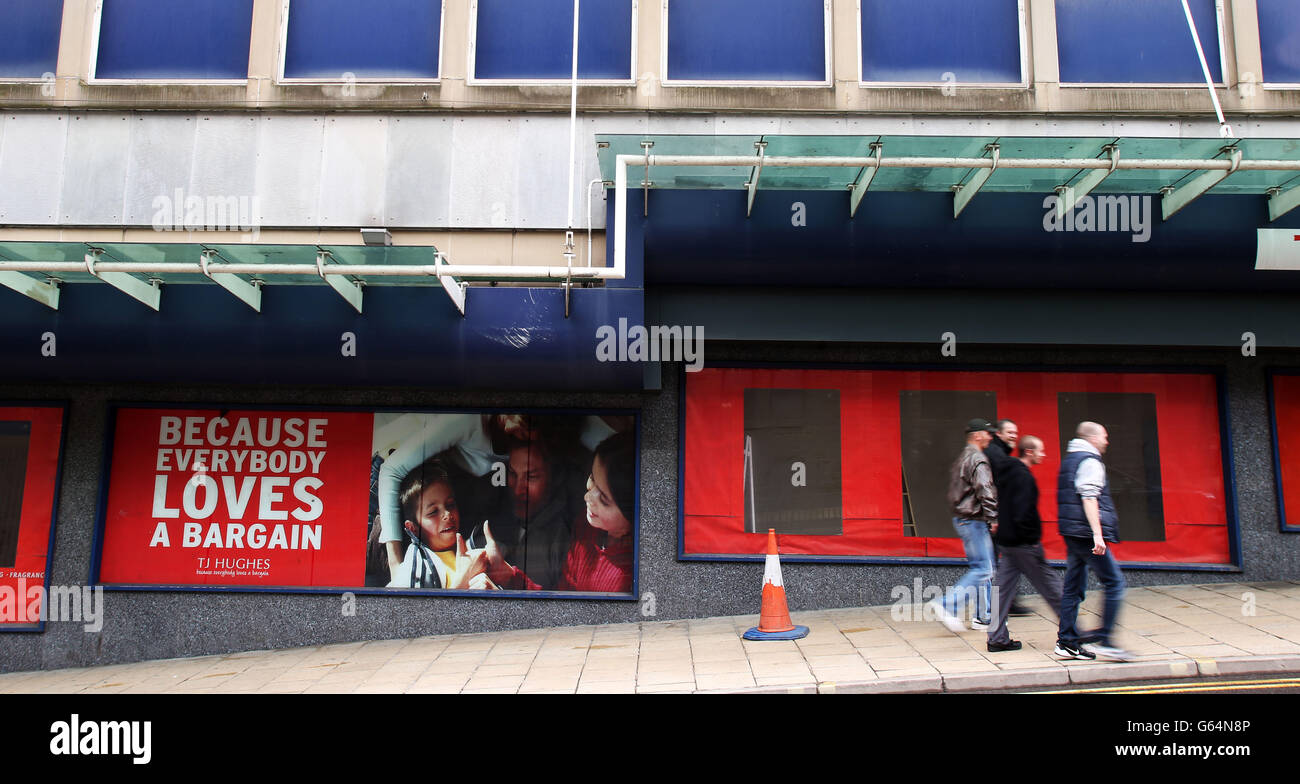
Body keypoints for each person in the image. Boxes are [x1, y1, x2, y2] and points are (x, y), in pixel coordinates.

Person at [376, 413, 613, 582]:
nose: (523, 430)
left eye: (535, 428)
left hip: (457, 504)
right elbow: (392, 470)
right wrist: (396, 566)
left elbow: (619, 448)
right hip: (403, 482)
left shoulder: (565, 425)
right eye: (523, 419)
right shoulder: (465, 421)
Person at [486, 431, 636, 593]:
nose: (587, 497)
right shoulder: (586, 524)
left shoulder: (629, 579)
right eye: (592, 478)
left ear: (632, 516)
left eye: (604, 500)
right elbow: (563, 597)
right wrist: (507, 575)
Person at [1055, 421, 1132, 662]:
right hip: (1086, 534)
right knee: (1114, 583)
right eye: (1104, 436)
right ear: (1092, 437)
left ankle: (1066, 641)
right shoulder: (1089, 461)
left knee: (1073, 587)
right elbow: (1089, 498)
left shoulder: (1070, 459)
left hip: (1073, 531)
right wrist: (1097, 535)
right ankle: (1106, 640)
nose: (1107, 441)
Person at [986, 435, 1063, 652]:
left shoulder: (1007, 473)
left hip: (1007, 543)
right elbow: (1023, 512)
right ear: (1029, 452)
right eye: (1041, 450)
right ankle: (1072, 632)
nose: (1044, 454)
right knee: (1052, 588)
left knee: (1000, 593)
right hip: (1023, 543)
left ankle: (996, 638)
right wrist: (1031, 539)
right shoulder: (1023, 477)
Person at [929, 418, 997, 633]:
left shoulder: (962, 457)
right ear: (977, 435)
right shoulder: (977, 459)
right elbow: (985, 489)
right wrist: (993, 517)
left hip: (963, 519)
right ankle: (947, 604)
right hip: (974, 520)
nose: (990, 436)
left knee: (981, 568)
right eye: (987, 433)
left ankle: (983, 616)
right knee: (984, 569)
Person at [386, 457, 493, 590]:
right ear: (413, 528)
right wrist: (463, 581)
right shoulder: (413, 570)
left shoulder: (477, 548)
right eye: (433, 512)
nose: (447, 514)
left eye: (450, 504)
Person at [986, 419, 1033, 618]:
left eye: (1016, 432)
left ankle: (1006, 602)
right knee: (995, 563)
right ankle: (998, 606)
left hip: (996, 516)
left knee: (1002, 562)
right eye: (1010, 432)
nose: (1014, 435)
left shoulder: (1000, 453)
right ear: (999, 434)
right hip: (994, 518)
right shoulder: (997, 455)